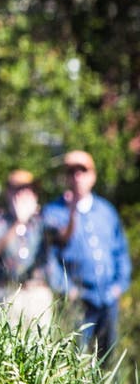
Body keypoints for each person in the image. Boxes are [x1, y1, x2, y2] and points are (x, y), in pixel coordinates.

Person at [43, 150, 132, 361]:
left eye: (82, 171)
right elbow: (48, 259)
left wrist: (119, 285)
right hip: (78, 300)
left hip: (108, 298)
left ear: (92, 176)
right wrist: (67, 290)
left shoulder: (106, 211)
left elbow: (121, 251)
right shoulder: (53, 213)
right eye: (72, 172)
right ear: (65, 178)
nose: (77, 177)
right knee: (75, 359)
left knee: (107, 361)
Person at [0, 169, 53, 329]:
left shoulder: (42, 221)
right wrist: (19, 222)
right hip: (9, 293)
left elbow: (64, 237)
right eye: (19, 190)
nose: (24, 195)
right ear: (9, 193)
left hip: (37, 293)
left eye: (28, 190)